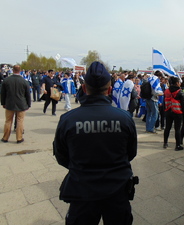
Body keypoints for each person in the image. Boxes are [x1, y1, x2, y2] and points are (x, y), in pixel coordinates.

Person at [53, 61, 137, 225]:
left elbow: (62, 156)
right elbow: (131, 153)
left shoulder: (68, 119)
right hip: (117, 190)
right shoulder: (125, 118)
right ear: (110, 90)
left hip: (82, 190)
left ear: (84, 89)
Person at [0, 65, 31, 143]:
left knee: (8, 121)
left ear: (13, 70)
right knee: (20, 121)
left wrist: (3, 103)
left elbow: (2, 93)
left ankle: (5, 137)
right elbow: (28, 94)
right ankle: (19, 138)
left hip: (9, 103)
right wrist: (28, 104)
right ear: (20, 70)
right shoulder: (24, 81)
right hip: (21, 103)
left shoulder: (6, 80)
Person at [163, 76, 184, 150]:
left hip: (168, 111)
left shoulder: (166, 91)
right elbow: (183, 104)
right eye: (179, 82)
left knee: (167, 128)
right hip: (177, 112)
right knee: (177, 129)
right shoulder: (180, 91)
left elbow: (164, 102)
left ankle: (165, 143)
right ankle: (177, 145)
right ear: (177, 83)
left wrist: (164, 110)